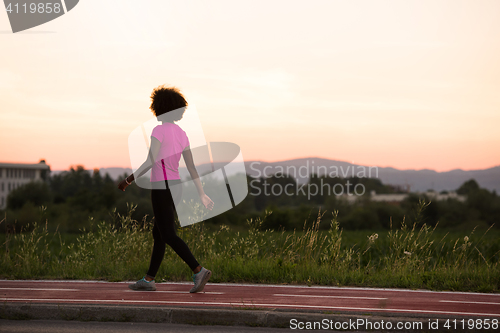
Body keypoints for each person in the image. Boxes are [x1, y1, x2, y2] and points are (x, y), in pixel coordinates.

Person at [118, 85, 214, 293]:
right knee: (159, 233)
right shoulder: (182, 133)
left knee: (168, 234)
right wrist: (201, 193)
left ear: (158, 107)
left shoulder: (158, 131)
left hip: (162, 187)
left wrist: (128, 180)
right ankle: (149, 279)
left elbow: (150, 161)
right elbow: (191, 167)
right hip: (176, 186)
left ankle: (198, 270)